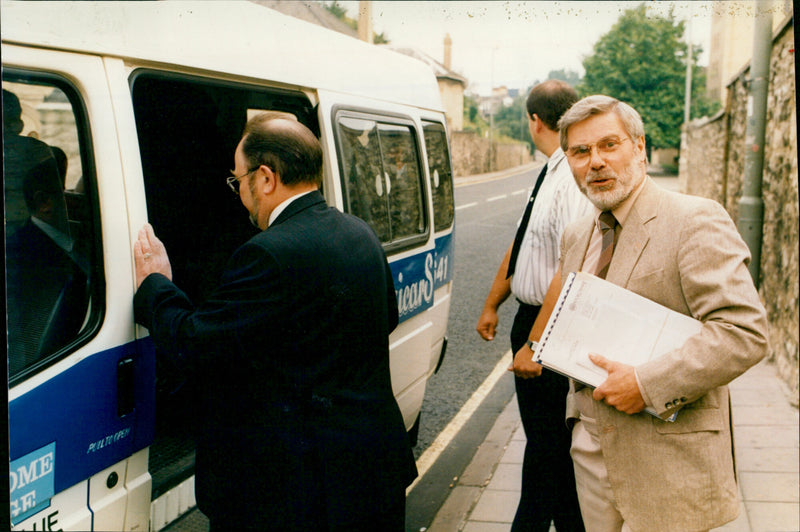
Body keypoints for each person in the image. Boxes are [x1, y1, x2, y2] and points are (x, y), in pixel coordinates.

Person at [133, 114, 417, 531]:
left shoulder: (266, 253)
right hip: (371, 473)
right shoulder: (360, 232)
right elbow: (384, 319)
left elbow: (195, 344)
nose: (240, 195)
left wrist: (157, 283)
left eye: (238, 181)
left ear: (265, 177)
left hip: (296, 493)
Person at [551, 94, 769, 531]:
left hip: (668, 461)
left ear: (640, 147)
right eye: (581, 151)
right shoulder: (577, 235)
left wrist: (646, 385)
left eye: (609, 144)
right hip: (592, 453)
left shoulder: (694, 219)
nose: (595, 161)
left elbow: (744, 332)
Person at [476, 79, 591, 532]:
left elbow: (572, 266)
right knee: (547, 447)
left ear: (534, 120)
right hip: (531, 319)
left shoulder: (569, 180)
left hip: (550, 325)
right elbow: (522, 242)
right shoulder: (549, 170)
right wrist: (492, 304)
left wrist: (535, 343)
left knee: (547, 448)